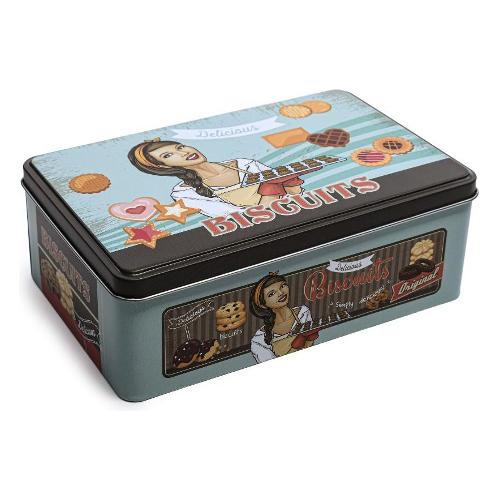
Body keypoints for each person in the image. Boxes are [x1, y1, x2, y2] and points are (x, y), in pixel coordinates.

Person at [128, 138, 304, 217]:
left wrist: (291, 186)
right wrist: (270, 193)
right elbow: (234, 219)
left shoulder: (244, 164)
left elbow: (296, 195)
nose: (183, 153)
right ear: (163, 166)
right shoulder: (184, 194)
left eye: (180, 147)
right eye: (168, 155)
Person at [249, 273, 319, 363]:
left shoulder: (303, 313)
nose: (281, 293)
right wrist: (294, 346)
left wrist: (309, 340)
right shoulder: (258, 340)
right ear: (262, 305)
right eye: (271, 294)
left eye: (282, 286)